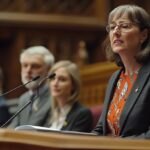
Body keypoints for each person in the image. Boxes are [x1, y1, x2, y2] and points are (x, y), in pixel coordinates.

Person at [92, 4, 150, 138]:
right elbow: (102, 128)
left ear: (144, 35)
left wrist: (119, 145)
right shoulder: (115, 78)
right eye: (112, 27)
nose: (116, 32)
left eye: (124, 26)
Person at [8, 46, 55, 128]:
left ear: (48, 70)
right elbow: (13, 128)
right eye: (25, 65)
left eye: (35, 66)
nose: (28, 71)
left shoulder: (55, 99)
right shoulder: (24, 98)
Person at [44, 60, 93, 132]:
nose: (55, 83)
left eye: (62, 79)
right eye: (53, 78)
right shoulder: (50, 112)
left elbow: (72, 142)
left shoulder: (82, 114)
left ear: (73, 85)